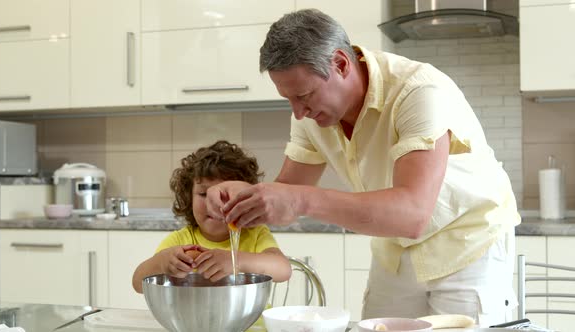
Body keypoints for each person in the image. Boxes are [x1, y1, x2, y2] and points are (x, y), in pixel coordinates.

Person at [205, 9, 521, 327]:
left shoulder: (419, 92)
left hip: (467, 244)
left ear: (340, 64)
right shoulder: (310, 114)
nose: (298, 112)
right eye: (288, 99)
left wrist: (301, 199)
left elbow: (412, 214)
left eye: (303, 95)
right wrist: (246, 198)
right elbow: (286, 195)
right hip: (394, 250)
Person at [132, 140, 292, 294]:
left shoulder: (255, 234)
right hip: (194, 321)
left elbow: (283, 270)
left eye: (225, 194)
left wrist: (237, 261)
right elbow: (138, 283)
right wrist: (161, 262)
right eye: (203, 194)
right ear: (189, 197)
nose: (213, 203)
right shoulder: (181, 241)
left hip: (250, 321)